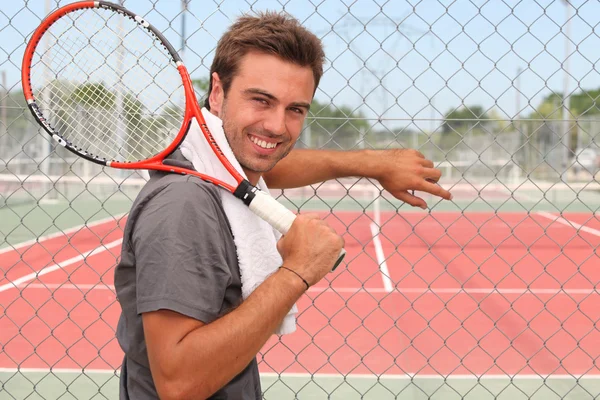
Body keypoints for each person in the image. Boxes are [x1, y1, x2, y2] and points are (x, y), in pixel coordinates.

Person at [114, 11, 452, 400]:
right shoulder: (183, 204)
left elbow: (266, 163)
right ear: (218, 92)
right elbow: (178, 383)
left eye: (295, 109)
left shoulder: (221, 167)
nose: (277, 126)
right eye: (261, 100)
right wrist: (297, 271)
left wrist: (371, 164)